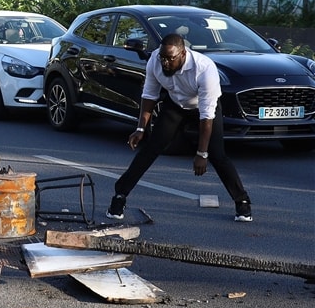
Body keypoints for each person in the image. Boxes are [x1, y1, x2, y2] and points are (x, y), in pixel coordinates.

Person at [106, 33, 252, 222]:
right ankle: (120, 196)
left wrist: (201, 153)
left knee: (217, 155)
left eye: (170, 58)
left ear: (183, 54)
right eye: (162, 58)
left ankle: (242, 202)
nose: (165, 63)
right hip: (175, 105)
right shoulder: (155, 61)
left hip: (203, 107)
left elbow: (207, 116)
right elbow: (150, 94)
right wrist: (140, 129)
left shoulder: (204, 68)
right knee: (150, 149)